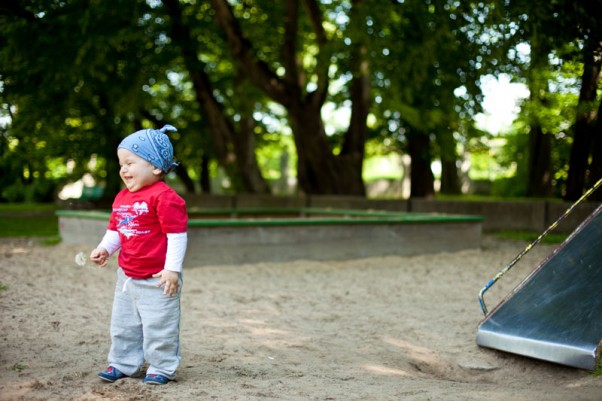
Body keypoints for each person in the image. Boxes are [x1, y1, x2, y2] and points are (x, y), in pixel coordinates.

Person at [90, 124, 188, 385]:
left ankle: (162, 367)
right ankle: (122, 363)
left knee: (160, 326)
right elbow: (116, 229)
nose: (123, 169)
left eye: (130, 163)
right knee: (124, 325)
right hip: (127, 277)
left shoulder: (164, 197)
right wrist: (105, 248)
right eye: (121, 163)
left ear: (155, 167)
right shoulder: (122, 197)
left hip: (159, 278)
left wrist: (172, 270)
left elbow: (176, 236)